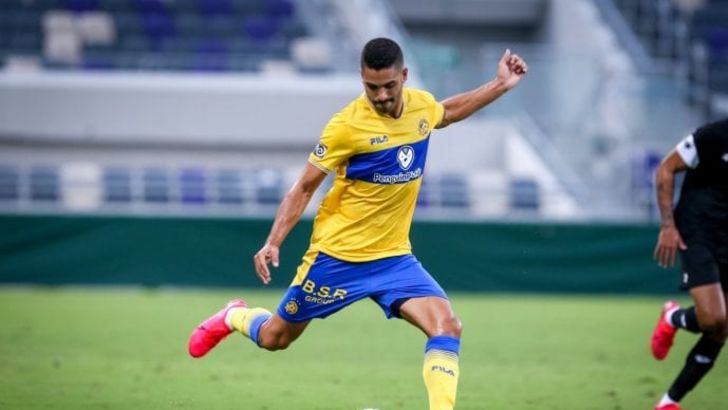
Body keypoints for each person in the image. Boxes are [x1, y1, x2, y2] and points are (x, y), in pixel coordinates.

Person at [188, 37, 527, 410]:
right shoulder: (346, 126)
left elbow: (447, 112)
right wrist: (274, 241)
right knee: (275, 338)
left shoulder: (420, 106)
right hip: (338, 257)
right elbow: (304, 187)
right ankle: (233, 315)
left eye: (389, 86)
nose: (380, 96)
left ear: (404, 76)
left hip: (394, 258)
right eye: (371, 87)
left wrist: (500, 85)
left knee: (447, 327)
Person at [651, 118, 728, 410]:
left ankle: (668, 403)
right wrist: (667, 226)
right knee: (712, 319)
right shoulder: (715, 135)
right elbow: (666, 168)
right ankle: (673, 317)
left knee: (721, 328)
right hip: (698, 232)